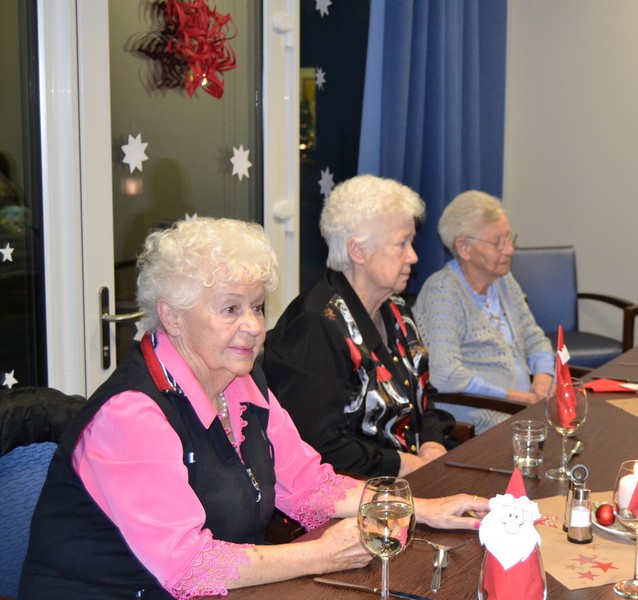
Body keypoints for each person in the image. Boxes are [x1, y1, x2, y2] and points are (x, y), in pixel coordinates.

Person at [20, 217, 487, 599]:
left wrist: (419, 508)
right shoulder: (131, 414)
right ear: (172, 316)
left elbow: (309, 486)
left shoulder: (240, 380)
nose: (253, 326)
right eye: (230, 310)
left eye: (257, 307)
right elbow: (187, 568)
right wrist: (319, 555)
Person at [263, 175, 456, 478]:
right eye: (401, 243)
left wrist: (432, 441)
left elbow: (422, 394)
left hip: (413, 476)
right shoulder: (316, 325)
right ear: (358, 251)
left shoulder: (396, 308)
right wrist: (402, 464)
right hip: (359, 491)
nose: (413, 256)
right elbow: (318, 444)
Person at [412, 190, 554, 434]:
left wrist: (543, 375)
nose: (509, 249)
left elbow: (534, 337)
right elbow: (444, 374)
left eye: (509, 238)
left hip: (521, 408)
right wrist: (514, 397)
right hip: (479, 414)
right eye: (498, 242)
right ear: (464, 248)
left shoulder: (503, 280)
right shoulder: (443, 291)